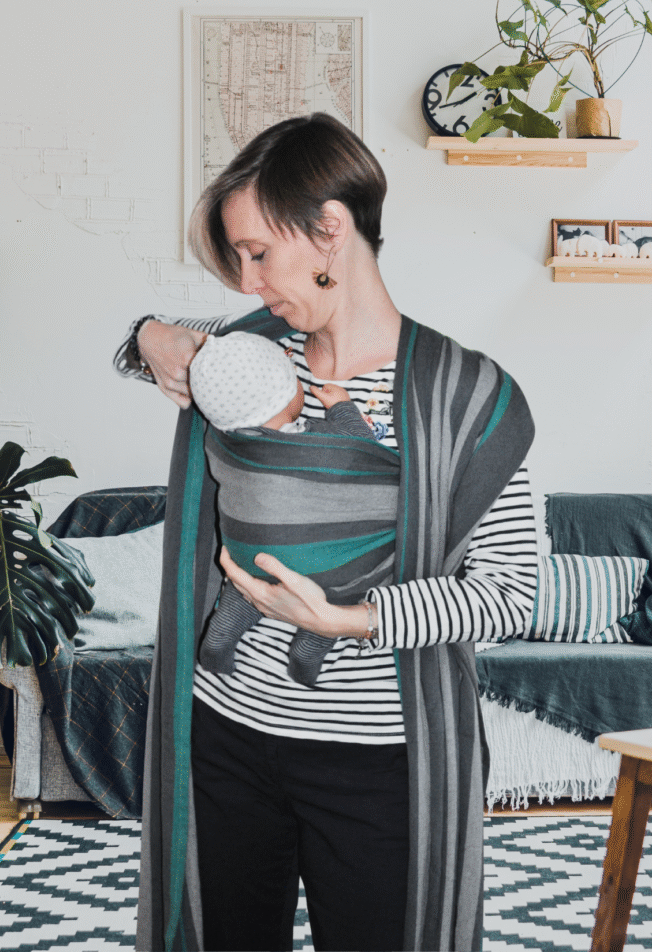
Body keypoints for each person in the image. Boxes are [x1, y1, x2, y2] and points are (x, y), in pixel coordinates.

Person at [116, 112, 538, 952]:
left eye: (257, 253)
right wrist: (148, 336)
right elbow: (149, 350)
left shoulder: (467, 399)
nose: (246, 282)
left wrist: (351, 619)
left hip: (377, 758)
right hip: (226, 735)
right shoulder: (247, 359)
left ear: (329, 230)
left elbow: (511, 593)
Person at [189, 330, 396, 685]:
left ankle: (217, 644)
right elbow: (364, 451)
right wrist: (342, 408)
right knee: (340, 592)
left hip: (249, 558)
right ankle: (307, 653)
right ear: (287, 397)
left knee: (240, 597)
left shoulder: (222, 440)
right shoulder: (320, 440)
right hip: (323, 568)